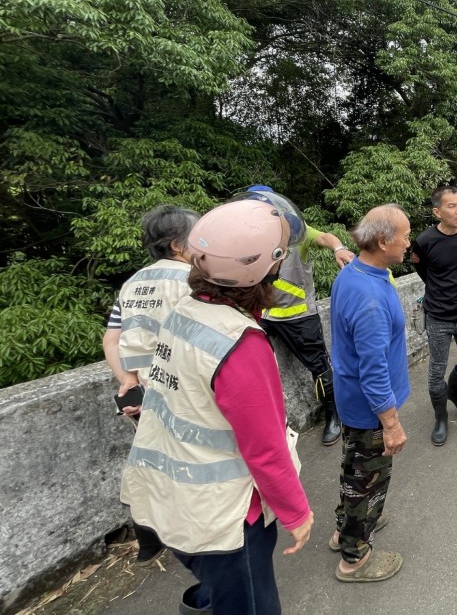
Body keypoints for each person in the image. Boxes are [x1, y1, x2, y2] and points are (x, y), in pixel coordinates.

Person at [120, 200, 314, 615]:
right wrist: (297, 513)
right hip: (227, 519)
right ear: (268, 269)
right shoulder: (240, 344)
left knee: (220, 593)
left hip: (172, 501)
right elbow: (265, 449)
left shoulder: (185, 312)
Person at [103, 204, 199, 569]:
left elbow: (112, 339)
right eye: (197, 236)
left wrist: (128, 380)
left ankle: (152, 537)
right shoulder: (192, 279)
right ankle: (195, 541)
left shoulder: (132, 283)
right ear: (177, 244)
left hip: (142, 396)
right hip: (182, 393)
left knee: (154, 462)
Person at [328, 204, 411, 583]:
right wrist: (391, 424)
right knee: (368, 478)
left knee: (355, 467)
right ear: (382, 241)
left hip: (352, 399)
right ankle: (355, 556)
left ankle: (345, 526)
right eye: (404, 237)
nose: (408, 243)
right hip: (369, 408)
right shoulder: (370, 298)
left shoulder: (353, 272)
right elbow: (373, 370)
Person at [243, 185, 356, 446]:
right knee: (250, 366)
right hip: (262, 314)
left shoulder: (296, 229)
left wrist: (338, 247)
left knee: (319, 367)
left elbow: (324, 237)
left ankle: (334, 415)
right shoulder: (246, 236)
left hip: (299, 316)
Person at [410, 185, 457, 446]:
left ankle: (454, 392)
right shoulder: (424, 241)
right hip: (438, 318)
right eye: (451, 206)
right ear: (437, 212)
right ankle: (440, 418)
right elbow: (423, 272)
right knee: (436, 372)